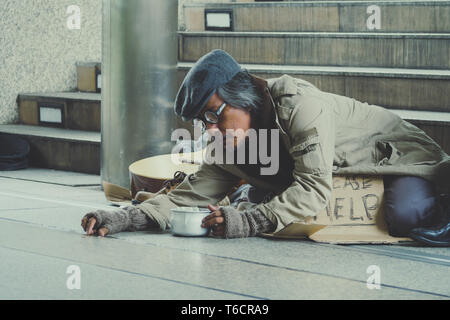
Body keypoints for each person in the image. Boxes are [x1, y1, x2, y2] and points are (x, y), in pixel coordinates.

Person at [81, 49, 450, 245]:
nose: (210, 130)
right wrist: (125, 217)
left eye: (214, 115)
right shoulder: (228, 141)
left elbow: (312, 188)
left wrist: (250, 222)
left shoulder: (298, 105)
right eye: (202, 123)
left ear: (241, 98)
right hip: (341, 176)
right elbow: (188, 196)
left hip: (395, 159)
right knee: (257, 191)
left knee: (406, 213)